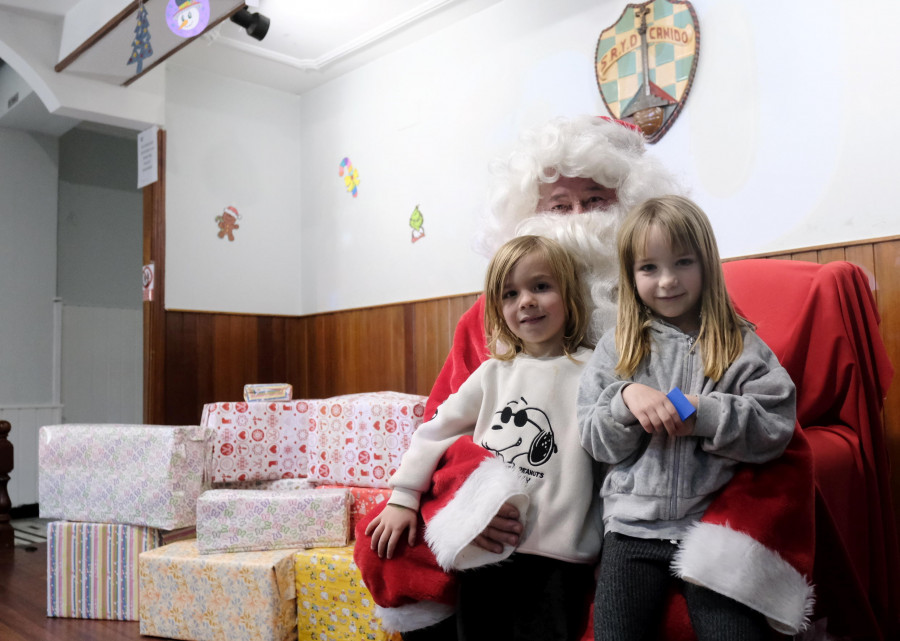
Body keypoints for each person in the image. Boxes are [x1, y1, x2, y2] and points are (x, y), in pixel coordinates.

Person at [357, 115, 815, 640]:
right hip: (552, 513)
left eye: (596, 200)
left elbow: (770, 420)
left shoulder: (694, 320)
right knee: (390, 548)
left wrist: (696, 417)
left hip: (635, 516)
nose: (577, 219)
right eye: (558, 205)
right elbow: (449, 428)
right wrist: (472, 498)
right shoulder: (489, 330)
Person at [577, 195, 796, 640]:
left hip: (711, 529)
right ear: (630, 275)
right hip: (631, 529)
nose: (668, 281)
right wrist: (624, 400)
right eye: (649, 268)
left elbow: (775, 426)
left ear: (707, 265)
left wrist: (706, 415)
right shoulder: (616, 348)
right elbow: (592, 439)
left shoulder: (741, 345)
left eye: (683, 262)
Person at [364, 234, 601, 640]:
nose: (525, 301)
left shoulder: (595, 370)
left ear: (570, 294)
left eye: (541, 286)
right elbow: (433, 434)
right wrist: (403, 497)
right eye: (510, 294)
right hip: (484, 550)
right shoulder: (493, 373)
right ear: (497, 309)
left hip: (560, 559)